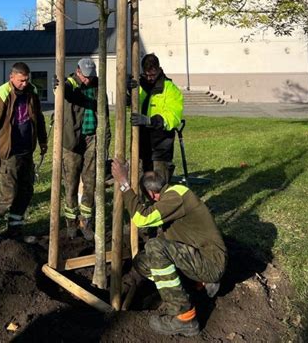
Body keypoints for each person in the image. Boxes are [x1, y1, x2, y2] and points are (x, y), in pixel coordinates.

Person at [112, 159, 226, 337]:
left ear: (151, 194)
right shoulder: (171, 195)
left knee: (155, 247)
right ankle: (194, 285)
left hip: (211, 263)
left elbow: (142, 219)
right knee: (142, 262)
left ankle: (185, 317)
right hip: (198, 258)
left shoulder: (176, 196)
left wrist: (124, 184)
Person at [0, 62, 47, 242]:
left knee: (26, 191)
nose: (24, 84)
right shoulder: (0, 95)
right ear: (12, 77)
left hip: (26, 151)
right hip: (8, 153)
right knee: (8, 195)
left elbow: (38, 118)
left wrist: (43, 140)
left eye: (27, 80)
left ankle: (15, 229)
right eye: (21, 80)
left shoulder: (32, 92)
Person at [54, 57, 110, 241]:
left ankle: (86, 222)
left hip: (93, 139)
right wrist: (59, 86)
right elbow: (67, 91)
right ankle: (71, 224)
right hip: (72, 142)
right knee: (70, 184)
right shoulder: (70, 85)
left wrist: (105, 144)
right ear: (78, 72)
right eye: (85, 76)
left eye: (91, 76)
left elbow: (106, 116)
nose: (88, 80)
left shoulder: (97, 87)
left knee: (90, 182)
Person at [129, 53, 184, 183]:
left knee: (159, 182)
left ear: (159, 69)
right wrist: (129, 89)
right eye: (147, 75)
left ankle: (160, 203)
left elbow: (173, 117)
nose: (150, 78)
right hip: (142, 143)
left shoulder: (170, 89)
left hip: (161, 145)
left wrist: (150, 120)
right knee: (141, 180)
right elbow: (131, 103)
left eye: (153, 75)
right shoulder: (140, 85)